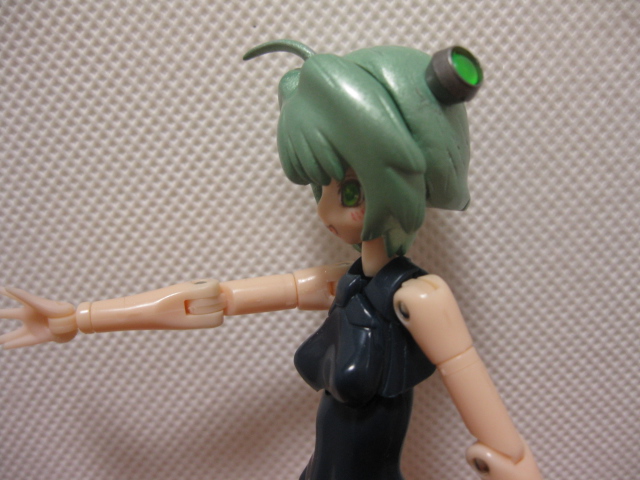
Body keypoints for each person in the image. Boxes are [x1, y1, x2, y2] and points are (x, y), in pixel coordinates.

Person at [0, 39, 542, 480]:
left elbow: (490, 421)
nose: (326, 210)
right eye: (320, 189)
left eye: (350, 192)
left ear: (401, 185)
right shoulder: (343, 284)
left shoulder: (419, 299)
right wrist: (80, 318)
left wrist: (516, 466)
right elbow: (212, 300)